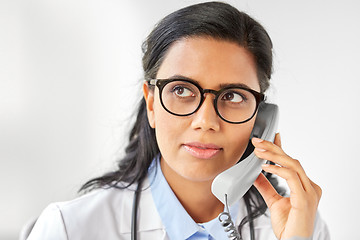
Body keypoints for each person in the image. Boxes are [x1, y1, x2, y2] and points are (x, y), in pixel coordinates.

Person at [27, 2, 330, 240]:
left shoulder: (302, 226)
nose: (205, 121)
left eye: (233, 96)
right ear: (151, 103)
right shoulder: (71, 229)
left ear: (262, 117)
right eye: (182, 90)